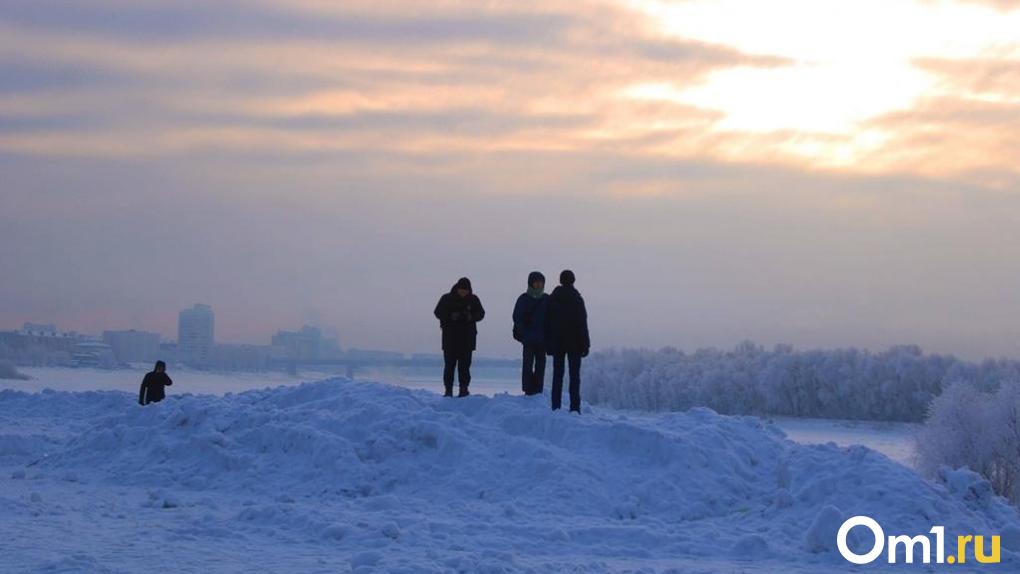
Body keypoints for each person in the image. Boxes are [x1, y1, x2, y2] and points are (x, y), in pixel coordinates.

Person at [545, 269, 590, 412]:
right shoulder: (577, 299)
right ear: (573, 281)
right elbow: (582, 323)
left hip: (557, 342)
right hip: (575, 343)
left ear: (560, 280)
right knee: (574, 377)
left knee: (557, 376)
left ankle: (555, 406)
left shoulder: (552, 299)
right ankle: (575, 407)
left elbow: (548, 323)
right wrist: (585, 344)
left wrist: (549, 343)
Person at [434, 277, 485, 397]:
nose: (463, 292)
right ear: (457, 288)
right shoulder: (447, 298)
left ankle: (464, 389)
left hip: (467, 340)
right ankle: (448, 390)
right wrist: (450, 316)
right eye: (461, 289)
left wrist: (470, 317)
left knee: (465, 367)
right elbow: (437, 312)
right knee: (449, 367)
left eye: (466, 290)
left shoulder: (474, 299)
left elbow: (481, 314)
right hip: (450, 339)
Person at [512, 271, 549, 395]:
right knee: (527, 364)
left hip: (542, 339)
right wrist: (525, 334)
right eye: (536, 282)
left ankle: (538, 389)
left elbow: (553, 318)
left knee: (540, 365)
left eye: (541, 283)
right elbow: (517, 318)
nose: (539, 285)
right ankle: (528, 389)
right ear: (531, 283)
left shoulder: (546, 299)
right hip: (528, 339)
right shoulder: (523, 299)